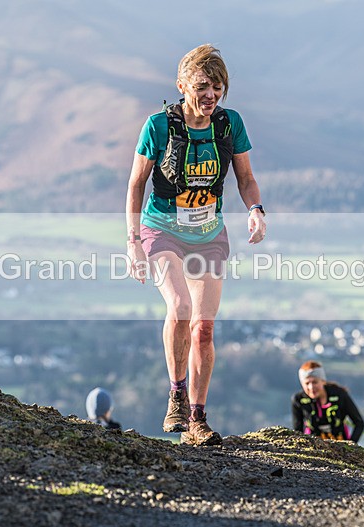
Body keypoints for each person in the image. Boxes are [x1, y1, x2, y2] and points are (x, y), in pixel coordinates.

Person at [125, 44, 266, 446]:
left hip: (208, 233)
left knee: (203, 328)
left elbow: (245, 178)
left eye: (218, 87)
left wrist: (255, 208)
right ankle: (176, 396)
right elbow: (136, 185)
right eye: (203, 85)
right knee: (181, 307)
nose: (211, 95)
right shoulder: (158, 126)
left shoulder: (229, 124)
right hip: (161, 229)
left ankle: (197, 420)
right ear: (182, 84)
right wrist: (133, 241)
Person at [291, 360, 364, 443]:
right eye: (307, 383)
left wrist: (352, 444)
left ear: (323, 381)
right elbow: (297, 431)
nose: (311, 387)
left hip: (340, 442)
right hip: (314, 445)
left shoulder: (339, 395)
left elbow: (359, 423)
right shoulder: (298, 400)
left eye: (315, 382)